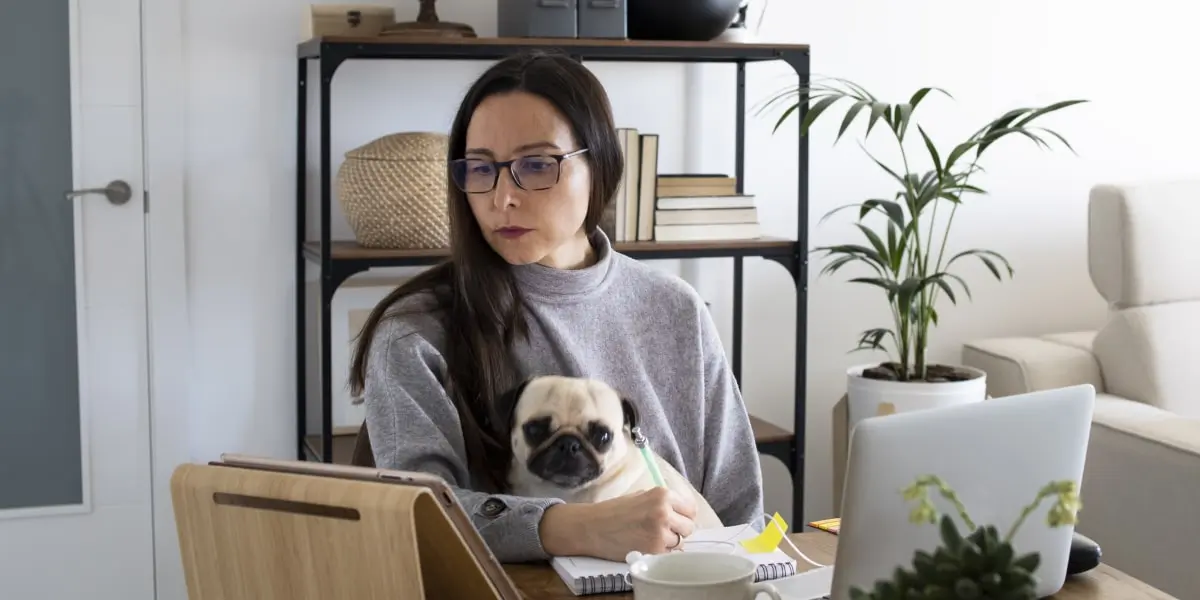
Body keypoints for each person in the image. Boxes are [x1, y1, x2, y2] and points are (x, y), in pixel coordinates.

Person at [349, 50, 764, 564]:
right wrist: (570, 528)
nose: (503, 197)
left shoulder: (676, 311)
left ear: (601, 164)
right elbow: (417, 518)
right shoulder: (415, 332)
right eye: (482, 169)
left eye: (537, 165)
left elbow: (740, 515)